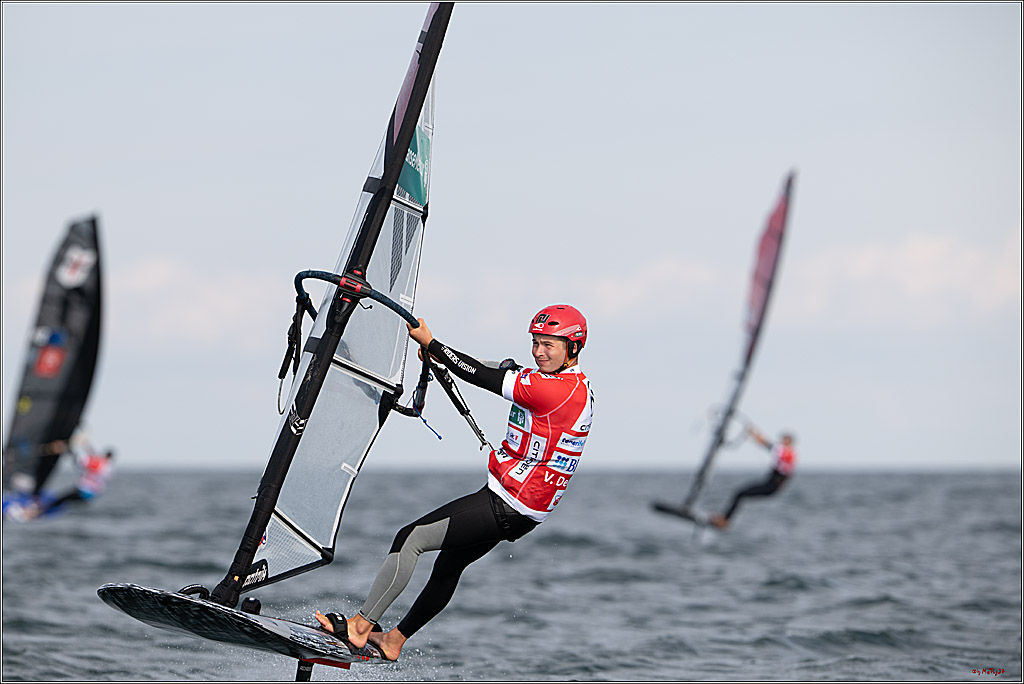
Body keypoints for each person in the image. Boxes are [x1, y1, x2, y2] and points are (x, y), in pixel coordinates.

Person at [315, 304, 594, 661]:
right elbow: (498, 368)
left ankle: (360, 626)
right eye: (536, 343)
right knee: (448, 565)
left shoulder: (552, 391)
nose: (539, 352)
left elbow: (481, 376)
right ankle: (393, 640)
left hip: (505, 503)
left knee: (410, 538)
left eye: (548, 345)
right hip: (523, 510)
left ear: (573, 347)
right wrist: (441, 354)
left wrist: (433, 345)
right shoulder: (569, 384)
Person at [708, 425, 796, 529]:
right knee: (739, 494)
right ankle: (724, 519)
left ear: (789, 442)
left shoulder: (787, 453)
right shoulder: (785, 452)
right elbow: (768, 445)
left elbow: (766, 443)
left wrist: (753, 433)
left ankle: (724, 521)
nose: (781, 442)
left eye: (784, 440)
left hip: (771, 486)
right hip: (770, 485)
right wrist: (753, 434)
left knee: (739, 494)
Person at [29, 445, 115, 519]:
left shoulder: (100, 464)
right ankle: (43, 509)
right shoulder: (109, 467)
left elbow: (81, 463)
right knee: (63, 500)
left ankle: (39, 511)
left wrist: (72, 452)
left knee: (61, 499)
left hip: (84, 492)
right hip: (91, 494)